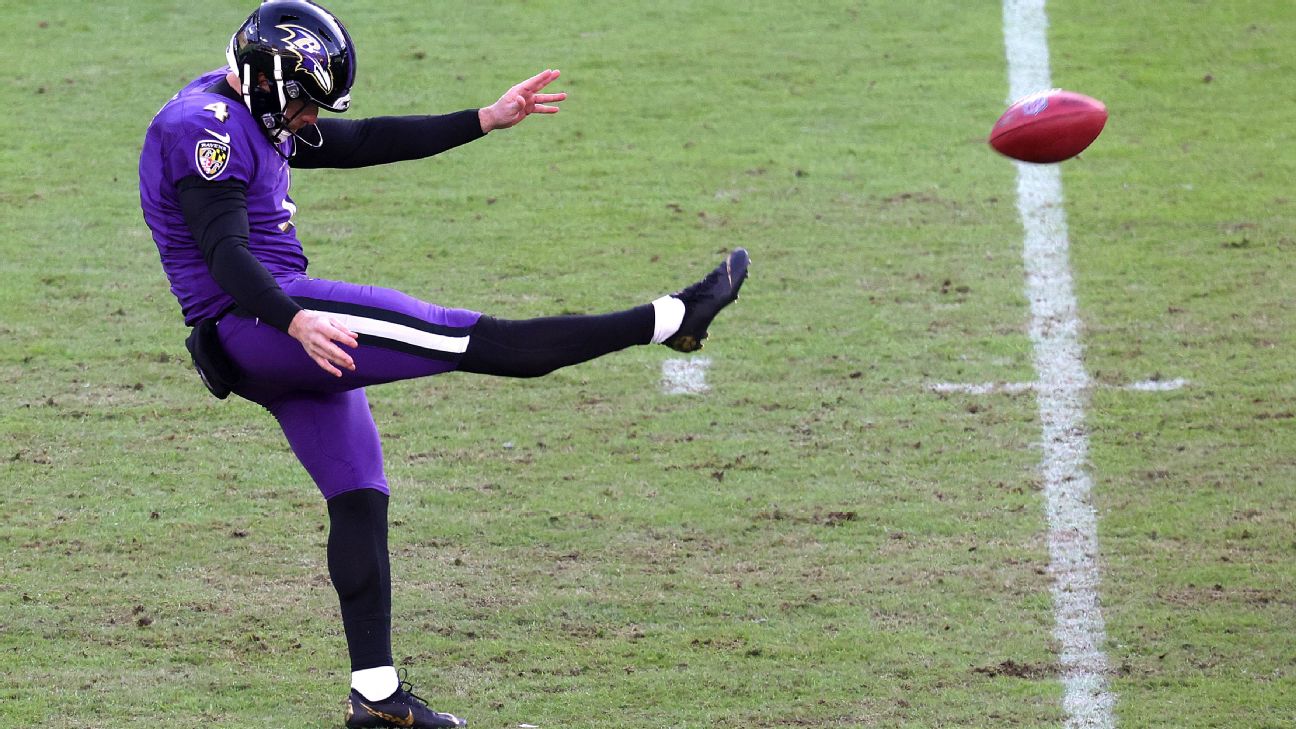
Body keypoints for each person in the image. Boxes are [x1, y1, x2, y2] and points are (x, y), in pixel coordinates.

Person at [138, 2, 748, 727]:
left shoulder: (253, 104)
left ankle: (376, 695)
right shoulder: (201, 127)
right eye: (303, 103)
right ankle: (675, 318)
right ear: (267, 81)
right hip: (269, 322)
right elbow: (225, 252)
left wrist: (483, 119)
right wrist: (297, 319)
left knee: (358, 493)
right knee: (473, 340)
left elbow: (360, 139)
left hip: (266, 335)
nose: (309, 120)